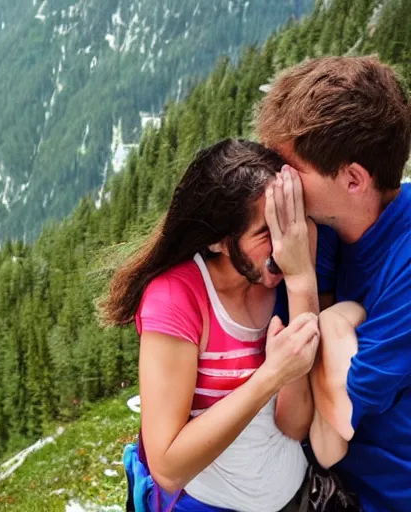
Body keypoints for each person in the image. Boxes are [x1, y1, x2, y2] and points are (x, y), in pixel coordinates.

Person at [102, 138, 323, 512]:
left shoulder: (289, 272)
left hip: (295, 499)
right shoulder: (176, 299)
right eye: (265, 233)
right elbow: (168, 468)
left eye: (286, 223)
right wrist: (269, 376)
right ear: (219, 241)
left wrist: (302, 280)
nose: (283, 245)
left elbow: (295, 424)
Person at [257, 55, 411, 512]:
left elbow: (339, 417)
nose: (278, 183)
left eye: (291, 170)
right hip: (325, 483)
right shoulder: (323, 227)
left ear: (353, 179)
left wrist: (314, 296)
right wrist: (332, 323)